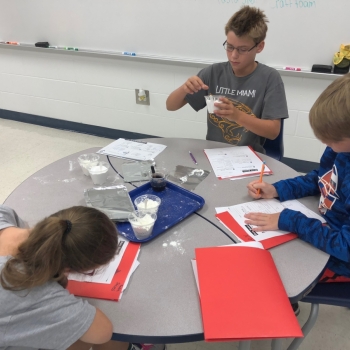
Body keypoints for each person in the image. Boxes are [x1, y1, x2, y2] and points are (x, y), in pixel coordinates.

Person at [0, 205, 166, 350]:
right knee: (94, 337)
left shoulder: (3, 213)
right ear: (69, 269)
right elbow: (102, 332)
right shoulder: (29, 289)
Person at [245, 73, 350, 284]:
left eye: (332, 141)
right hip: (322, 227)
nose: (326, 145)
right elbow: (321, 179)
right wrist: (278, 189)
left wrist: (290, 220)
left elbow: (345, 248)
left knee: (265, 275)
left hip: (338, 260)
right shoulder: (340, 151)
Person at [166, 5, 288, 154]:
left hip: (249, 157)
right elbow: (170, 106)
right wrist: (184, 88)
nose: (233, 55)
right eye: (229, 47)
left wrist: (237, 116)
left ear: (259, 46)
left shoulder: (270, 78)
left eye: (242, 49)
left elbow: (273, 131)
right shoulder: (213, 73)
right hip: (213, 154)